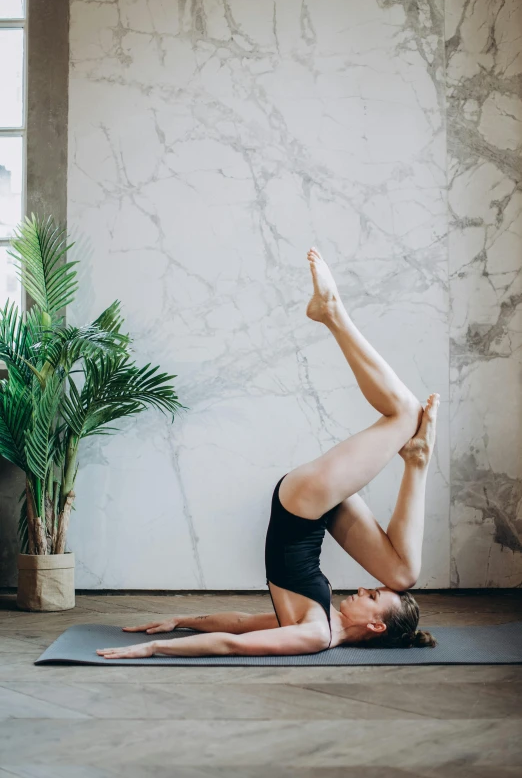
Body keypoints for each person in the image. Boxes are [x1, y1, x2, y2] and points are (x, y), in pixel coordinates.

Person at [97, 247, 438, 660]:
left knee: (405, 412)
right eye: (369, 589)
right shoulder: (324, 619)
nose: (362, 588)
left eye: (370, 596)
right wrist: (182, 619)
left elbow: (235, 640)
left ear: (374, 625)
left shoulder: (315, 634)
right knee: (404, 573)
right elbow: (240, 621)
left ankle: (332, 313)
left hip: (303, 504)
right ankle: (415, 460)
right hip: (313, 509)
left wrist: (155, 646)